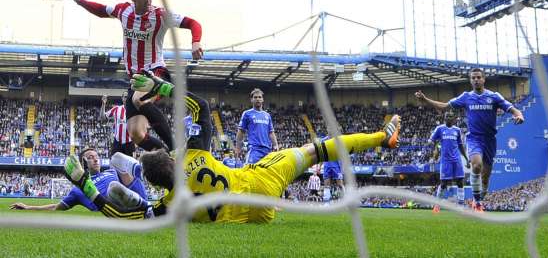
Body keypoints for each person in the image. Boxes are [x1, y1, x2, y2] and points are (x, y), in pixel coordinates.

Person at [62, 71, 402, 223]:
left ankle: (379, 137)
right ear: (170, 156)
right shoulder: (193, 153)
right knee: (315, 150)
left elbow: (125, 213)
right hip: (259, 182)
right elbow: (201, 108)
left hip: (254, 216)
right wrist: (161, 88)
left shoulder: (170, 205)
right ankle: (379, 137)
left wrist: (85, 184)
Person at [68, 0, 204, 153]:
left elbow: (193, 23)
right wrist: (80, 1)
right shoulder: (123, 11)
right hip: (135, 79)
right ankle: (166, 156)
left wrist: (195, 42)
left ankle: (175, 148)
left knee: (138, 99)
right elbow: (102, 10)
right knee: (136, 134)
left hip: (156, 72)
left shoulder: (160, 15)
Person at [415, 68, 524, 212]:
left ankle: (477, 199)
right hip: (474, 138)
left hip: (490, 140)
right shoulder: (466, 97)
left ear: (484, 79)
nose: (476, 80)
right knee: (477, 165)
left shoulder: (494, 96)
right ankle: (478, 203)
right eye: (473, 78)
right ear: (470, 80)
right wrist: (425, 99)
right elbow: (445, 106)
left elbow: (512, 109)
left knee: (485, 179)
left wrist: (519, 115)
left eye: (479, 77)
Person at [10, 148, 147, 214]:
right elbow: (56, 207)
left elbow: (129, 183)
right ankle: (146, 209)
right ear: (83, 163)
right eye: (91, 157)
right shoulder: (77, 190)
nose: (95, 159)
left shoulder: (111, 172)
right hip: (112, 208)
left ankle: (146, 176)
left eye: (96, 156)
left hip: (131, 198)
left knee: (116, 157)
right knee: (113, 188)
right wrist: (28, 207)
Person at [429, 112, 469, 212]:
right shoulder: (440, 129)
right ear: (444, 118)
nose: (449, 118)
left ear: (454, 118)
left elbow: (460, 146)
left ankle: (460, 205)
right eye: (447, 116)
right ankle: (437, 205)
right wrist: (434, 147)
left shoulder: (457, 130)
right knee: (443, 183)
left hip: (456, 159)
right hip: (445, 160)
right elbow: (431, 140)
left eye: (450, 116)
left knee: (460, 181)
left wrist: (467, 159)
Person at [234, 88, 279, 164]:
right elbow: (241, 131)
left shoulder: (267, 115)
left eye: (259, 97)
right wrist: (238, 148)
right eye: (255, 97)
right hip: (254, 150)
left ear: (263, 99)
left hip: (267, 151)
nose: (258, 99)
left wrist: (276, 145)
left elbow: (271, 132)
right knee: (249, 172)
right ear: (251, 100)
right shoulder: (247, 113)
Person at [100, 92, 134, 157]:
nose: (126, 99)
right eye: (125, 97)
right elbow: (103, 118)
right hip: (117, 142)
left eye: (128, 97)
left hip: (129, 142)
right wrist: (103, 104)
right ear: (122, 98)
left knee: (130, 163)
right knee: (115, 162)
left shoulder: (134, 110)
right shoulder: (117, 109)